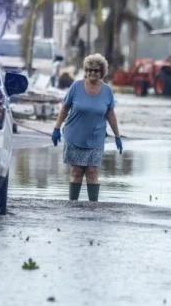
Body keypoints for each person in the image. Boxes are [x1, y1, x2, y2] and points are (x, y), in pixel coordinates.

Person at [51, 53, 123, 202]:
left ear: (102, 72)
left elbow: (111, 114)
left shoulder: (107, 91)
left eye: (95, 70)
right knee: (76, 172)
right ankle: (73, 205)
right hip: (75, 136)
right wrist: (56, 128)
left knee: (92, 172)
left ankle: (93, 207)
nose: (92, 73)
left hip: (96, 138)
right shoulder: (76, 86)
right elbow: (65, 108)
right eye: (89, 70)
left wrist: (117, 136)